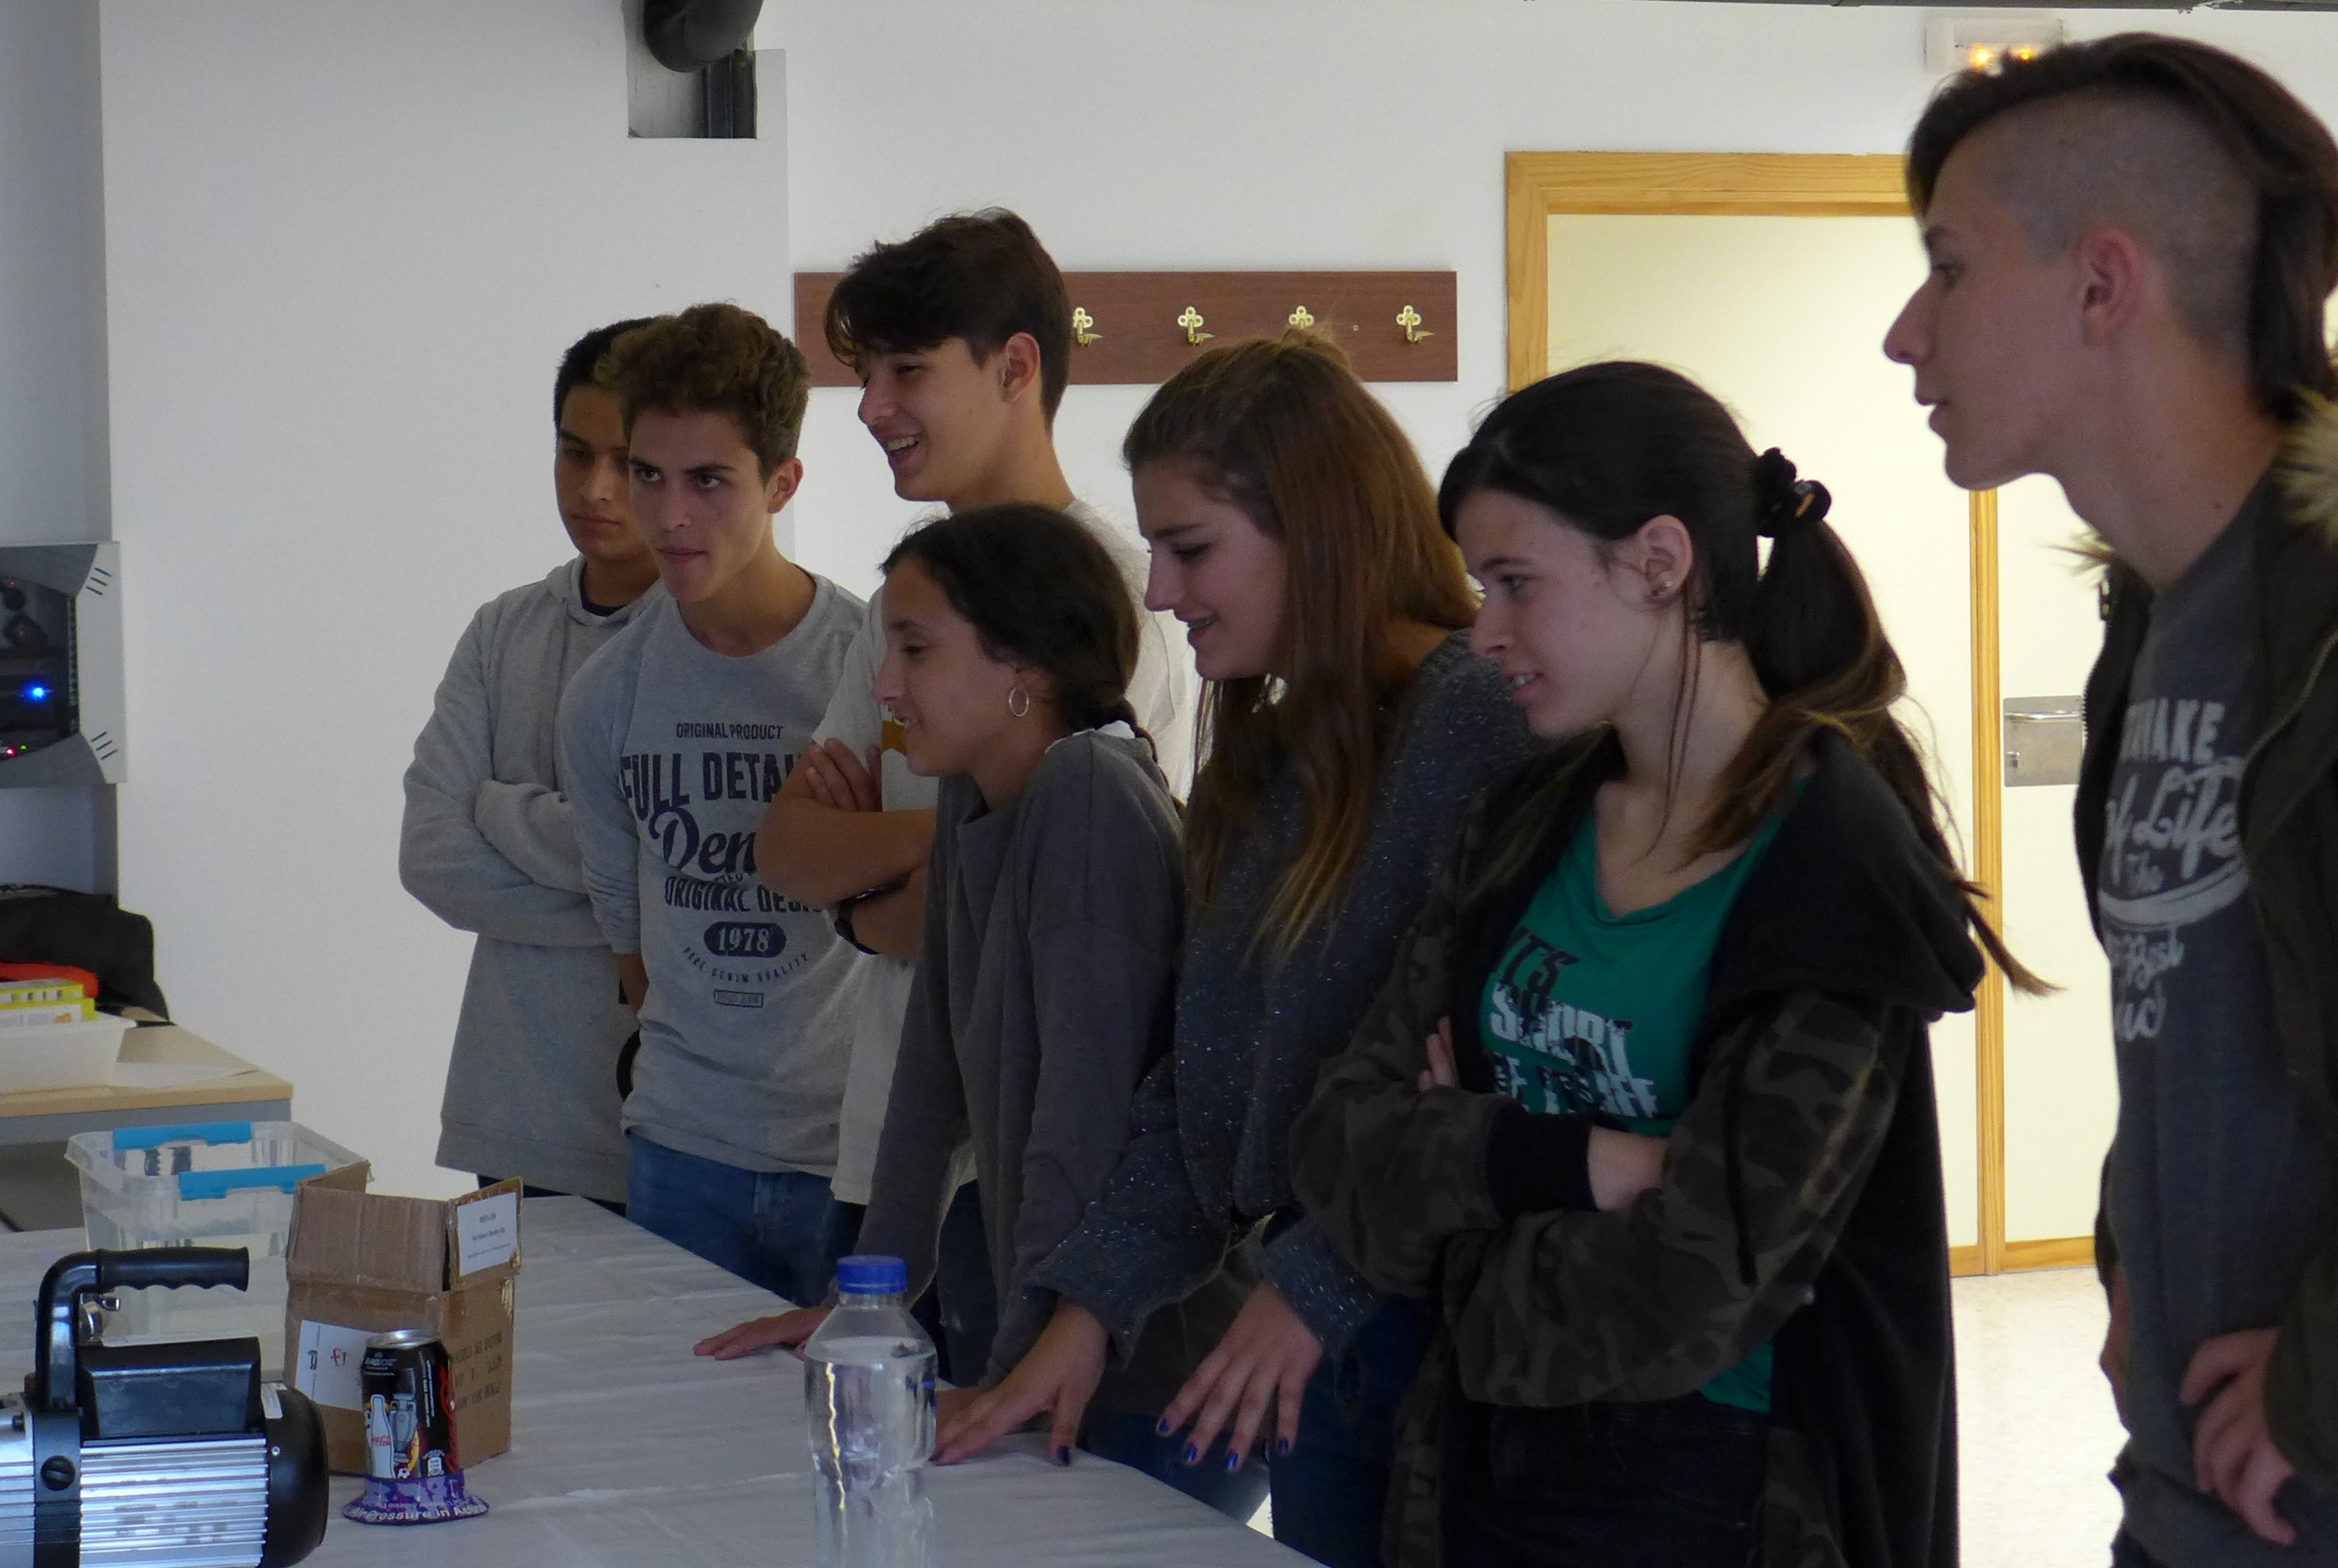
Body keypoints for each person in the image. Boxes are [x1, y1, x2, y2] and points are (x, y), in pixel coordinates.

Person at [1294, 362, 2032, 1566]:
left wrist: (1463, 1202)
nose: (1483, 632)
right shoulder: (1517, 828)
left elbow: (1698, 1284)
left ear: (1658, 560)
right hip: (1477, 1470)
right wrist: (1577, 1159)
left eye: (1516, 583)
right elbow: (1338, 1149)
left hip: (1722, 1497)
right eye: (1485, 585)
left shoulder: (1831, 862)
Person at [943, 333, 1541, 1565]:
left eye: (1191, 548)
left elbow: (1472, 1093)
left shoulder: (1468, 723)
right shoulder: (1277, 752)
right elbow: (1204, 1080)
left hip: (1443, 1344)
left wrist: (1315, 1279)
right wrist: (1087, 1307)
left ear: (1317, 527)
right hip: (1318, 1332)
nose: (1158, 592)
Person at [1887, 34, 2338, 1564]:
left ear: (2099, 285)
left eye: (1945, 268)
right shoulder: (2149, 635)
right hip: (2186, 1495)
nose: (1904, 331)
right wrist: (2127, 1236)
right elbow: (2207, 1023)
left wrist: (2317, 1384)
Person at [696, 504, 1261, 1513]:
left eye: (914, 648)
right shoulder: (973, 797)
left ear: (1026, 668)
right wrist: (863, 1301)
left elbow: (1079, 1124)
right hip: (1057, 1327)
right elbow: (931, 1075)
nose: (883, 684)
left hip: (1143, 1346)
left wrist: (1023, 1367)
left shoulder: (1087, 795)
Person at [760, 208, 1196, 1379]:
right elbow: (787, 848)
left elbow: (1080, 985)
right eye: (864, 373)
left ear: (1015, 368)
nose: (869, 407)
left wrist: (874, 895)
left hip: (1054, 1206)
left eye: (906, 369)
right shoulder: (921, 594)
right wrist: (915, 869)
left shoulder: (1116, 607)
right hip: (910, 1159)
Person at [560, 303, 872, 1307]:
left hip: (850, 1151)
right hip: (683, 1144)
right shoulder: (607, 692)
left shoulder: (867, 669)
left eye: (709, 481)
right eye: (649, 475)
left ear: (781, 483)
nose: (669, 515)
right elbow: (629, 941)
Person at [404, 317, 661, 1207]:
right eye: (573, 452)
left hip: (683, 1121)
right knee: (530, 1350)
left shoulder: (719, 641)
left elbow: (700, 882)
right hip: (515, 1113)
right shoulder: (503, 628)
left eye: (626, 462)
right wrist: (629, 892)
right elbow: (431, 857)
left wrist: (506, 813)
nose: (594, 489)